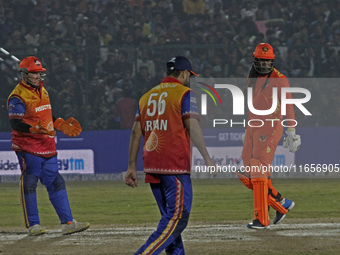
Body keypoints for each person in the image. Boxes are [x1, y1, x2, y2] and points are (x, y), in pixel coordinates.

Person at [125, 56, 215, 254]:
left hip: (152, 164)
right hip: (174, 165)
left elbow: (135, 132)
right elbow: (192, 125)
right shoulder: (184, 94)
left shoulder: (146, 96)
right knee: (178, 217)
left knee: (170, 219)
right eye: (189, 75)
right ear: (184, 73)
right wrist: (207, 157)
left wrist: (131, 166)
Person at [7, 56, 90, 236]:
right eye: (34, 73)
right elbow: (16, 124)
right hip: (28, 146)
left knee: (56, 181)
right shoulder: (17, 96)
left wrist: (60, 124)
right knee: (30, 182)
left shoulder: (43, 91)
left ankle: (68, 223)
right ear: (24, 74)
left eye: (39, 73)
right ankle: (33, 225)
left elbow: (46, 116)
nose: (38, 77)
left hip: (47, 145)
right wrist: (33, 129)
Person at [236, 43, 301, 229]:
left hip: (271, 126)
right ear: (255, 60)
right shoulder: (251, 77)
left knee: (257, 170)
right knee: (247, 173)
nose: (264, 65)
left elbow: (288, 105)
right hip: (253, 126)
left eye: (268, 61)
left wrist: (291, 130)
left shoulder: (280, 79)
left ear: (273, 61)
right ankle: (281, 203)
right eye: (261, 61)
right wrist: (247, 129)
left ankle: (261, 219)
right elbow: (250, 104)